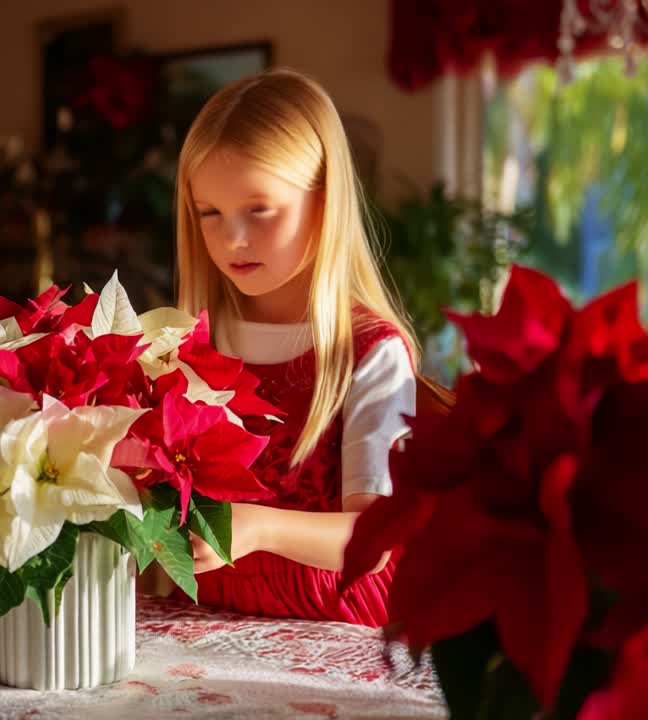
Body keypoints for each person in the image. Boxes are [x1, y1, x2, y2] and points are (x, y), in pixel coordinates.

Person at [175, 68, 418, 626]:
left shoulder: (370, 354)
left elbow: (374, 535)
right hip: (209, 620)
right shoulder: (192, 342)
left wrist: (259, 527)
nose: (233, 238)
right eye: (209, 213)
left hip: (333, 631)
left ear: (325, 200)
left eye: (259, 209)